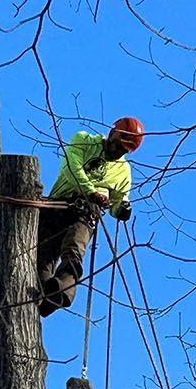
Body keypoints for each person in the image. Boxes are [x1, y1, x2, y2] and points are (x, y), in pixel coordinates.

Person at [37, 116, 144, 317]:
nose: (117, 152)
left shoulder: (123, 171)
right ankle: (39, 296)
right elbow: (71, 167)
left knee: (74, 252)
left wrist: (121, 209)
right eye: (117, 146)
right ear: (111, 134)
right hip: (57, 207)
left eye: (122, 150)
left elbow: (119, 200)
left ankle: (61, 293)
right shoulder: (84, 140)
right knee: (42, 258)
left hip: (84, 215)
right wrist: (90, 191)